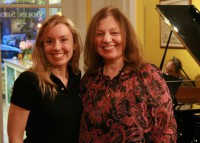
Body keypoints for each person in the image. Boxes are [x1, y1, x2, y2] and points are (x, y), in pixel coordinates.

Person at [79, 6, 177, 143]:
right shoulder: (89, 80)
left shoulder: (148, 74)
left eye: (114, 33)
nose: (107, 39)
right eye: (100, 34)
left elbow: (167, 130)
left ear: (126, 36)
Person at [7, 14, 83, 143]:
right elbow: (15, 138)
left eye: (64, 40)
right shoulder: (28, 81)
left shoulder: (77, 77)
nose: (57, 47)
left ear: (74, 44)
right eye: (49, 41)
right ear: (42, 46)